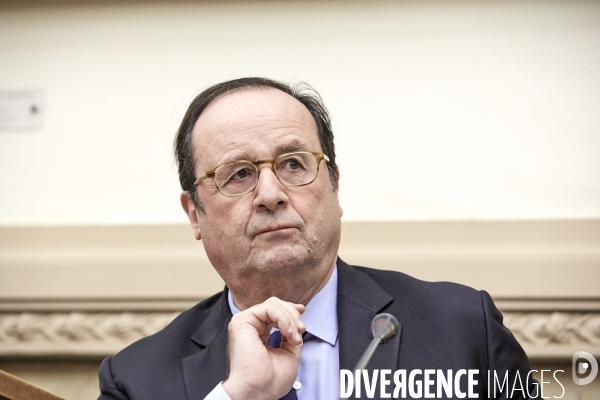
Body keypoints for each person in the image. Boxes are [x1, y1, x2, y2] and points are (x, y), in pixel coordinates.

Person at [98, 77, 538, 399]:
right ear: (195, 214)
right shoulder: (136, 380)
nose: (271, 194)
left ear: (334, 186)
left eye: (293, 164)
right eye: (239, 174)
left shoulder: (463, 330)